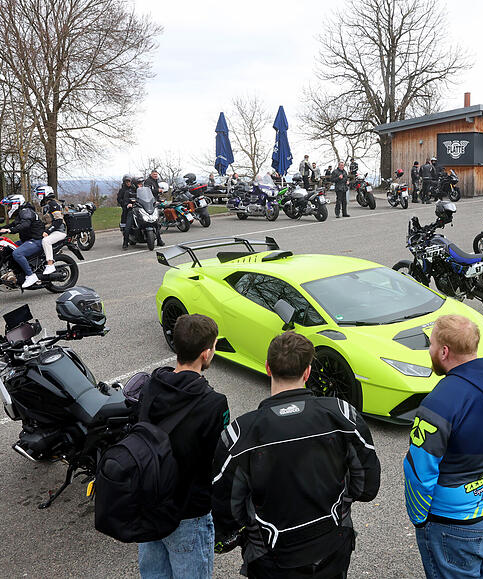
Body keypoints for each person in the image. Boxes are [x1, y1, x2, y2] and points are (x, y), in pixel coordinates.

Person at [212, 331, 380, 579]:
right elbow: (366, 487)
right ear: (308, 372)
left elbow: (226, 512)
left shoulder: (240, 434)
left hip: (272, 558)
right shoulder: (343, 415)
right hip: (332, 546)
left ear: (268, 368)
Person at [404, 315, 483, 579]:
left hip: (455, 522)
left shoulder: (438, 403)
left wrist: (420, 518)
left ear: (444, 351)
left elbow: (419, 471)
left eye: (432, 345)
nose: (430, 351)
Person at [137, 314, 230, 579]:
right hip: (189, 512)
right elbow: (218, 460)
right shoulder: (214, 403)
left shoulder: (151, 385)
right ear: (206, 353)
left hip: (151, 503)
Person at [0, 194, 46, 288]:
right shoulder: (22, 212)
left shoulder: (26, 211)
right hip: (27, 240)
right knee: (7, 248)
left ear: (16, 203)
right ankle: (14, 271)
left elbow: (25, 225)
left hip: (36, 240)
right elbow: (13, 224)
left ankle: (30, 275)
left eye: (9, 205)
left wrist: (10, 230)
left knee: (17, 253)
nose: (8, 208)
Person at [37, 186, 66, 275]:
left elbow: (58, 221)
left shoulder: (54, 205)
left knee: (46, 241)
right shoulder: (46, 205)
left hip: (59, 231)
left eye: (40, 193)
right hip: (52, 230)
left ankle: (50, 264)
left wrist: (47, 232)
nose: (38, 195)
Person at [117, 175, 136, 249]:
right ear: (124, 182)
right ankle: (125, 243)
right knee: (127, 226)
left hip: (136, 209)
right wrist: (125, 204)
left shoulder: (134, 189)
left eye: (129, 181)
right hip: (127, 210)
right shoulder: (122, 190)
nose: (128, 183)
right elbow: (119, 199)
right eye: (127, 181)